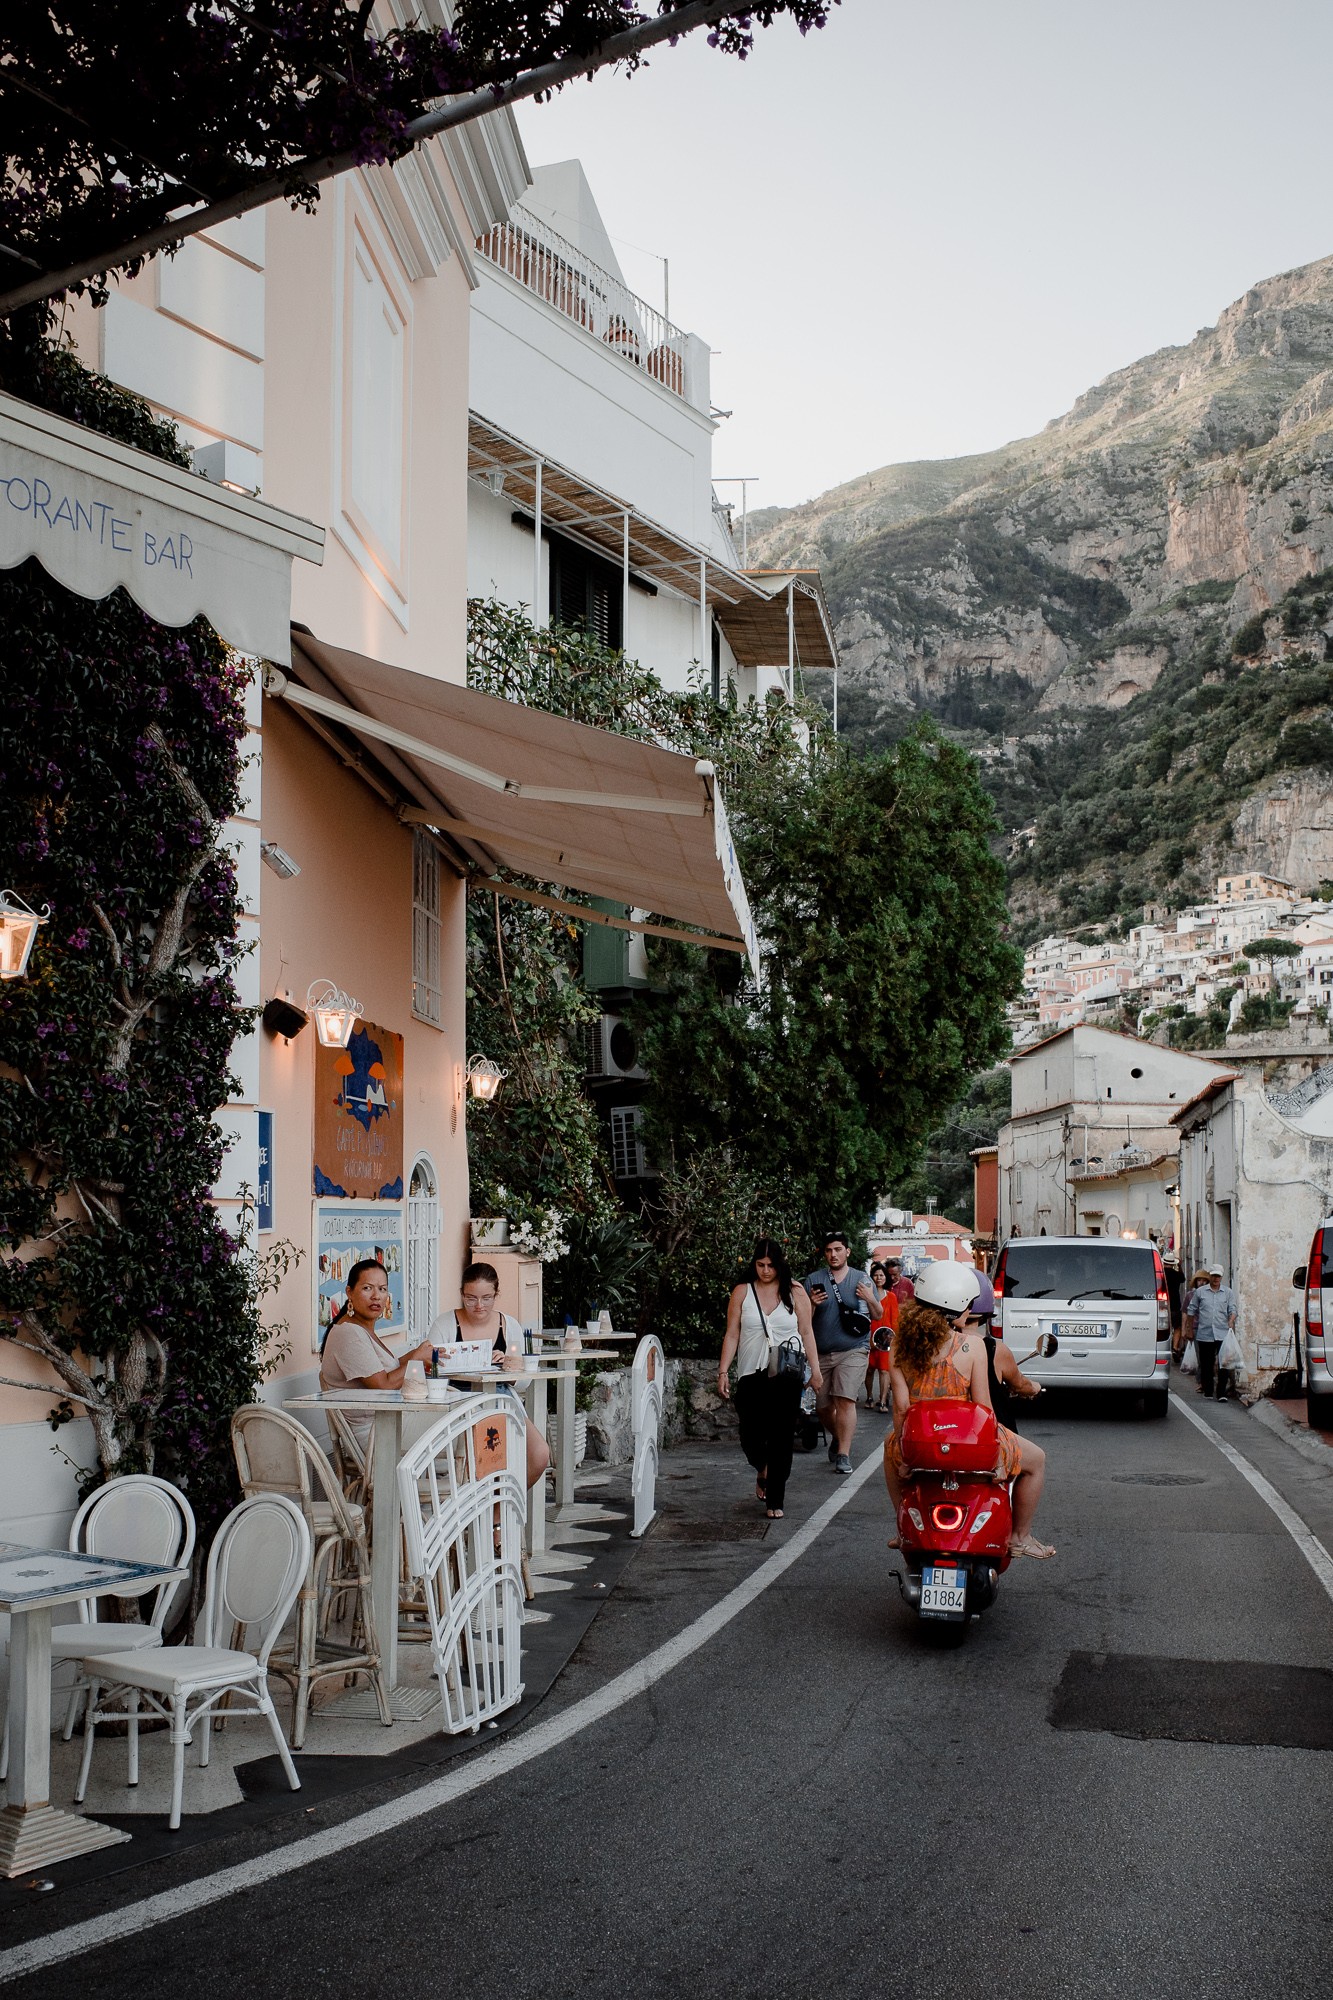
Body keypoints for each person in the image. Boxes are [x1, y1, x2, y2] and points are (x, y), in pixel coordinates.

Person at [883, 1260, 1054, 1560]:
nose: (969, 1312)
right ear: (953, 1308)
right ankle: (1020, 1536)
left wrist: (905, 1455)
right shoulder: (971, 1347)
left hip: (919, 1445)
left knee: (888, 1450)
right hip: (967, 1445)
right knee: (1037, 1460)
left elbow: (900, 1407)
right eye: (967, 1306)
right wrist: (997, 1457)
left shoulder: (898, 1347)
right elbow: (984, 1410)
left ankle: (902, 1530)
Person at [718, 1239, 822, 1519]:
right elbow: (732, 1333)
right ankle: (763, 1469)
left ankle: (776, 1499)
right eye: (760, 1265)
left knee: (782, 1436)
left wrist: (816, 1370)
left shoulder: (795, 1292)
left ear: (779, 1265)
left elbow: (807, 1332)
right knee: (749, 1432)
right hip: (751, 1372)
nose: (765, 1271)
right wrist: (723, 1370)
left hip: (786, 1374)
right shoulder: (742, 1292)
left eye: (771, 1266)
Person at [428, 1262, 552, 1488]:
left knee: (539, 1455)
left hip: (501, 1399)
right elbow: (432, 1371)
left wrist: (509, 1365)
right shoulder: (445, 1324)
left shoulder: (508, 1325)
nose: (478, 1306)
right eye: (471, 1298)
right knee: (485, 1463)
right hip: (459, 1402)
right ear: (461, 1295)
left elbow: (523, 1383)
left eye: (486, 1298)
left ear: (496, 1294)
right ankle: (485, 1517)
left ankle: (497, 1513)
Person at [319, 1258, 435, 1447]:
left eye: (382, 1289)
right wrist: (416, 1359)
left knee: (469, 1418)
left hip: (391, 1422)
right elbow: (383, 1385)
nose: (376, 1296)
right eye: (367, 1288)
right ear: (349, 1292)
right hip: (375, 1433)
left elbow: (387, 1369)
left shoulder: (361, 1329)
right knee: (468, 1423)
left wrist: (420, 1354)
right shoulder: (349, 1332)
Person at [806, 1230, 877, 1475]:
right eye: (829, 1250)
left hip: (854, 1348)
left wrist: (870, 1298)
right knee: (823, 1407)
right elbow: (803, 1323)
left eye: (838, 1250)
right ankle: (838, 1436)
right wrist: (812, 1305)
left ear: (847, 1251)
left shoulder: (861, 1279)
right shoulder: (813, 1280)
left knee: (845, 1399)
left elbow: (877, 1315)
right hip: (822, 1353)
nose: (833, 1254)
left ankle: (843, 1455)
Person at [970, 1270, 1041, 1433]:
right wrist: (1035, 1387)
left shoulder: (936, 1345)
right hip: (988, 1432)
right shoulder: (995, 1349)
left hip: (941, 1430)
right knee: (1037, 1457)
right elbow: (1020, 1384)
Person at [1185, 1263, 1238, 1401]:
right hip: (1205, 1333)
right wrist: (1189, 1329)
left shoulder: (1228, 1292)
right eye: (1213, 1276)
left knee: (1224, 1363)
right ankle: (1208, 1390)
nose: (1215, 1279)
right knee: (1206, 1364)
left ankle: (1221, 1393)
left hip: (1222, 1333)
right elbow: (1191, 1310)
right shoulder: (1200, 1292)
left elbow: (1233, 1309)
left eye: (1218, 1276)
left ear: (1221, 1277)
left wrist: (1231, 1319)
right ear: (1210, 1276)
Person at [865, 1264, 899, 1411]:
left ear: (886, 1278)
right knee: (869, 1369)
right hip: (868, 1337)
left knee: (884, 1370)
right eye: (876, 1275)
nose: (878, 1278)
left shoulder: (891, 1297)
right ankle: (869, 1396)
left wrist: (894, 1339)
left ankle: (883, 1400)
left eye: (881, 1275)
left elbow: (895, 1320)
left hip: (885, 1339)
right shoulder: (867, 1296)